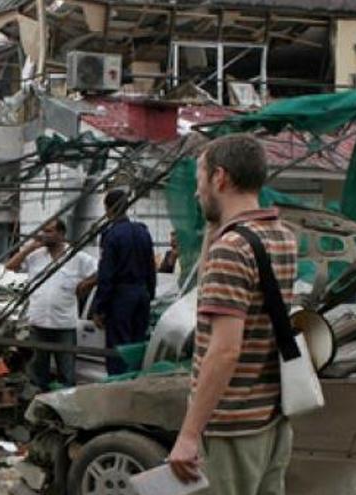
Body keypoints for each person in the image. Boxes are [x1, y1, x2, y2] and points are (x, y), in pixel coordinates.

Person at [168, 134, 297, 495]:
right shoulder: (281, 235)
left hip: (230, 429)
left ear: (219, 178)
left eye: (199, 181)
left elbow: (225, 350)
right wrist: (215, 226)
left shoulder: (233, 249)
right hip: (271, 418)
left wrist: (189, 435)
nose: (196, 194)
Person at [6, 219, 96, 390]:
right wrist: (31, 247)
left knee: (66, 374)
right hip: (38, 324)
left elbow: (99, 272)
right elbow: (10, 266)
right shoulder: (35, 256)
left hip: (64, 325)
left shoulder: (77, 257)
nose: (45, 235)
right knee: (37, 374)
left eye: (50, 231)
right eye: (44, 231)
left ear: (62, 234)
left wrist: (84, 286)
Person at [91, 189, 156, 376]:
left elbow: (106, 275)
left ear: (108, 209)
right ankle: (134, 386)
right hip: (141, 295)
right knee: (136, 348)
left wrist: (99, 308)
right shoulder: (143, 232)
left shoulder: (111, 235)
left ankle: (118, 387)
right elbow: (151, 267)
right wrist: (149, 294)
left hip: (121, 297)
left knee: (118, 351)